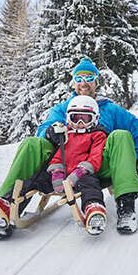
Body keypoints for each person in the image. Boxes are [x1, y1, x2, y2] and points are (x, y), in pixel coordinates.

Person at [0, 57, 138, 236]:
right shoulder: (63, 109)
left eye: (89, 78)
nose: (83, 83)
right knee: (31, 143)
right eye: (79, 79)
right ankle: (8, 204)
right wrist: (49, 133)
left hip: (98, 166)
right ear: (73, 82)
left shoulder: (111, 109)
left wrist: (137, 159)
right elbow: (43, 129)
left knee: (121, 135)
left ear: (96, 82)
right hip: (63, 165)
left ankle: (126, 208)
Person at [46, 96, 108, 235]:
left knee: (90, 184)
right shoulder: (65, 134)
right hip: (62, 173)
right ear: (68, 118)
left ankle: (93, 207)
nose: (79, 123)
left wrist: (79, 172)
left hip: (82, 174)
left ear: (94, 119)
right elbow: (58, 154)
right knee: (37, 178)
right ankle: (9, 202)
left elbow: (95, 157)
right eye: (75, 118)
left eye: (85, 119)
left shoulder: (97, 134)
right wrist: (56, 171)